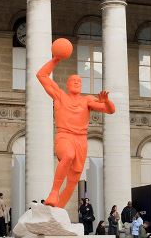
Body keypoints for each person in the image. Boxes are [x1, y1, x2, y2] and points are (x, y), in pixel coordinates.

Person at [36, 41, 116, 206]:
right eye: (73, 81)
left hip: (81, 140)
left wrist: (106, 101)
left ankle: (58, 207)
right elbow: (41, 75)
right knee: (68, 155)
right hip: (64, 136)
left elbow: (110, 110)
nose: (77, 83)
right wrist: (56, 59)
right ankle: (53, 192)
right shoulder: (60, 96)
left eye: (79, 82)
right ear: (67, 84)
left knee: (74, 179)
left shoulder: (87, 100)